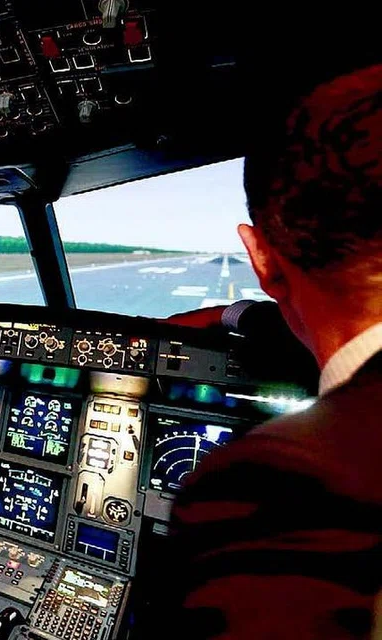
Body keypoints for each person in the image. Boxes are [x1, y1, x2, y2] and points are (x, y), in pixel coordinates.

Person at [163, 64, 382, 638]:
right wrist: (220, 316)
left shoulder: (275, 493)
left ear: (261, 259)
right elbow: (261, 319)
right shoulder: (276, 326)